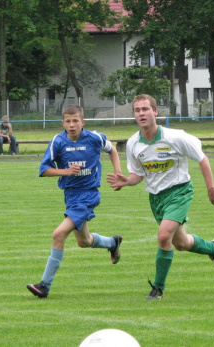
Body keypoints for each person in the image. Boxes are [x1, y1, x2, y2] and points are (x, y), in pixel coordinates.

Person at [106, 94, 214, 300]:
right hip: (156, 199)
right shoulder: (134, 144)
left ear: (155, 112)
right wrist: (127, 181)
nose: (141, 113)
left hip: (179, 192)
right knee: (181, 243)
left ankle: (158, 289)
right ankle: (213, 248)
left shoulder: (175, 137)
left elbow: (202, 159)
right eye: (137, 110)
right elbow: (139, 174)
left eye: (145, 109)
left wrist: (211, 188)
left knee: (163, 237)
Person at [27, 105, 124, 299]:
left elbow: (112, 150)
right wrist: (65, 171)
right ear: (63, 123)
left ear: (83, 122)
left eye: (75, 121)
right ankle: (113, 243)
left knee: (58, 233)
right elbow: (44, 169)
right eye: (68, 121)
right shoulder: (58, 141)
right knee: (84, 241)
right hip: (71, 196)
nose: (72, 125)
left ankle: (44, 285)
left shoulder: (95, 138)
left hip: (88, 195)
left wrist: (119, 173)